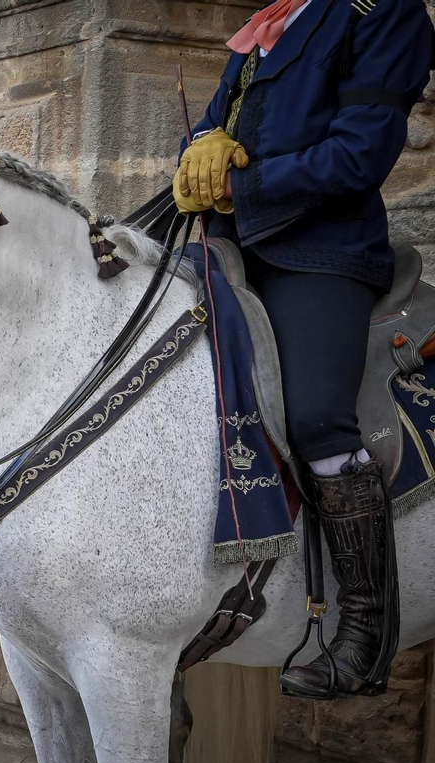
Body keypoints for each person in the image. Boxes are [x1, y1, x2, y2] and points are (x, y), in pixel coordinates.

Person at [176, 0, 434, 699]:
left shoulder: (385, 14)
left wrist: (239, 181)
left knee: (319, 416)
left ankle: (365, 632)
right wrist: (201, 150)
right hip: (229, 250)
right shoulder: (267, 24)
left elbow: (361, 153)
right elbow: (215, 130)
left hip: (320, 253)